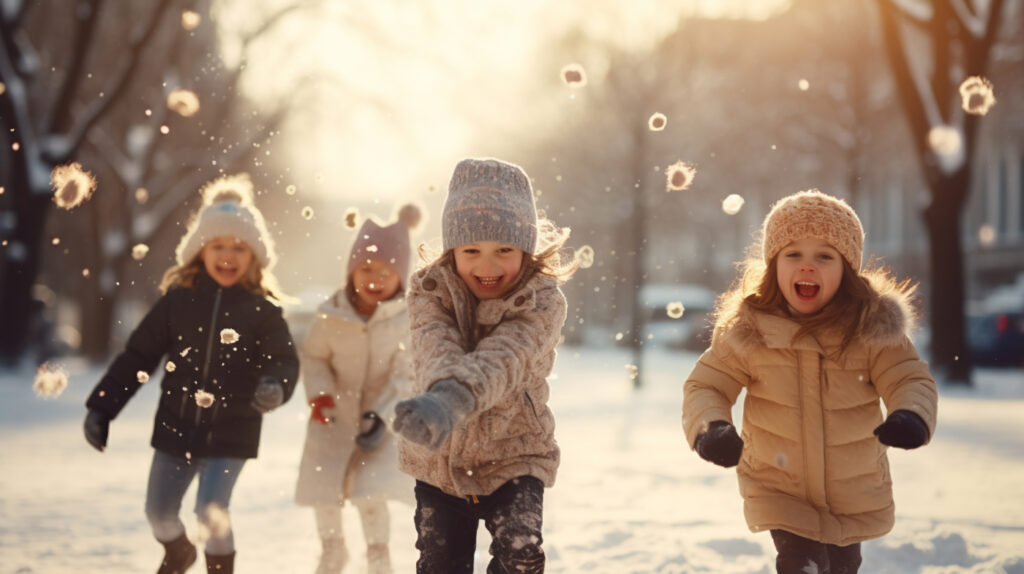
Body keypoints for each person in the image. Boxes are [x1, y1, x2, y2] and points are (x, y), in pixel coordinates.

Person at [682, 189, 939, 573]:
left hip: (852, 489)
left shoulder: (870, 329)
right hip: (779, 487)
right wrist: (711, 427)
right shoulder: (751, 331)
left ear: (846, 268)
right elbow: (707, 385)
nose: (807, 267)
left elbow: (908, 376)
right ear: (773, 265)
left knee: (840, 567)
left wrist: (911, 415)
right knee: (801, 564)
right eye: (793, 254)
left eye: (824, 256)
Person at [83, 174, 299, 574]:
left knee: (211, 511)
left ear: (254, 255)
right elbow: (137, 357)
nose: (228, 255)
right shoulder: (177, 303)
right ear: (201, 250)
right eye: (218, 245)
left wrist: (275, 385)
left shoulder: (262, 311)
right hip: (176, 425)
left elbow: (283, 360)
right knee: (159, 513)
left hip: (233, 428)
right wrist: (102, 407)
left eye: (239, 247)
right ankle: (179, 552)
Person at [392, 158, 578, 573]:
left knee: (522, 555)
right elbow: (434, 348)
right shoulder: (428, 291)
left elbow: (505, 357)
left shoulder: (542, 301)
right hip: (440, 463)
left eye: (505, 251)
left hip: (516, 453)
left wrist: (452, 399)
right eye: (472, 250)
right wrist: (440, 401)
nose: (488, 267)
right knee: (441, 565)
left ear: (526, 248)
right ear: (452, 249)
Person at [294, 204, 422, 574]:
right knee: (326, 493)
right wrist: (320, 394)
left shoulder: (405, 321)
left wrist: (382, 416)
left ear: (401, 276)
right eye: (366, 268)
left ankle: (378, 553)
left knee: (371, 493)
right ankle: (332, 549)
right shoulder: (331, 314)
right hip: (332, 418)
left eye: (386, 271)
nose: (375, 278)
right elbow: (315, 358)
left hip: (382, 423)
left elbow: (406, 375)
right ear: (351, 271)